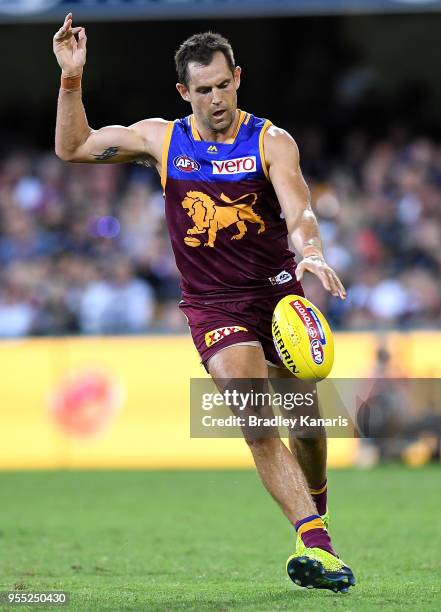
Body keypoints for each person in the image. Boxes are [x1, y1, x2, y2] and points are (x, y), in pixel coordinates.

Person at [53, 13, 355, 592]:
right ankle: (317, 544)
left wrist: (311, 250)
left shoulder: (270, 140)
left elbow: (300, 208)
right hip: (215, 308)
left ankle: (317, 508)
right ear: (183, 92)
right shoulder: (162, 140)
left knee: (308, 426)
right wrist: (71, 80)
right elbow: (73, 148)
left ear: (237, 77)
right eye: (203, 90)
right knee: (256, 422)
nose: (217, 99)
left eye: (224, 85)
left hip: (277, 299)